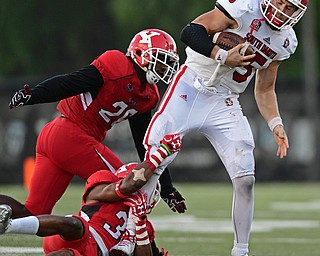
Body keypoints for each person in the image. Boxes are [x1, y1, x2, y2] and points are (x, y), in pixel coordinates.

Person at [108, 1, 309, 256]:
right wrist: (222, 55)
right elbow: (191, 32)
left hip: (224, 101)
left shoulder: (285, 41)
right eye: (280, 2)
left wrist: (276, 123)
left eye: (289, 7)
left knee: (245, 177)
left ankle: (240, 251)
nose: (282, 10)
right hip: (191, 86)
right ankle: (128, 235)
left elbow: (265, 88)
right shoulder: (244, 8)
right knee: (155, 160)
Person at [1, 28, 186, 218]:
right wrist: (34, 95)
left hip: (58, 137)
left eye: (168, 63)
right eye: (162, 60)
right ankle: (121, 242)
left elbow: (145, 143)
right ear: (140, 53)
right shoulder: (116, 65)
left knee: (33, 213)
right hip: (70, 135)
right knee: (127, 182)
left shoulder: (147, 95)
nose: (165, 68)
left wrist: (166, 188)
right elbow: (70, 82)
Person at [0, 134, 182, 256]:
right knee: (74, 224)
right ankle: (8, 226)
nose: (147, 193)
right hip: (78, 235)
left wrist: (140, 222)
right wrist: (161, 153)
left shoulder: (146, 226)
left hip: (95, 253)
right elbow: (128, 186)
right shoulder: (104, 182)